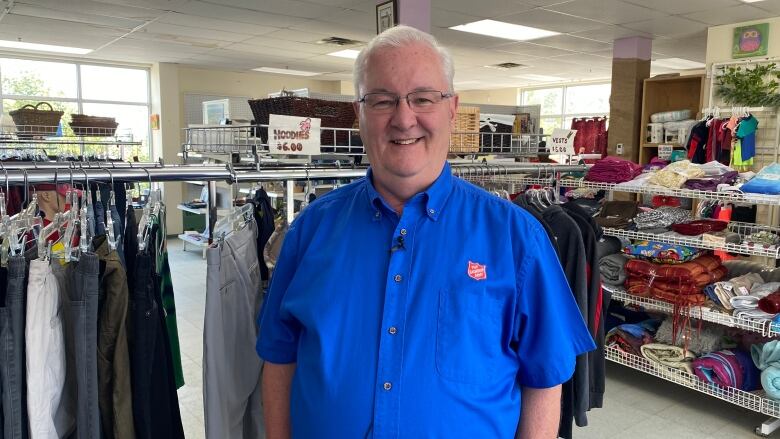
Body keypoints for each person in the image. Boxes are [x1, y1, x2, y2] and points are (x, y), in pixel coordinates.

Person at [256, 25, 595, 438]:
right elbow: (279, 359)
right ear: (359, 114)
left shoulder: (517, 238)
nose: (403, 118)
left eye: (422, 98)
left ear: (451, 108)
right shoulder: (311, 230)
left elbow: (544, 382)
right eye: (382, 100)